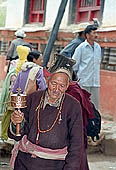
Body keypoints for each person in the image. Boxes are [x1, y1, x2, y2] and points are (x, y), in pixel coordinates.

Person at [8, 57, 90, 170]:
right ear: (47, 81)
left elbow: (76, 144)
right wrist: (15, 123)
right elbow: (16, 135)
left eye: (62, 86)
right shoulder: (33, 99)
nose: (56, 89)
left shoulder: (73, 106)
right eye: (54, 83)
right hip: (26, 162)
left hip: (56, 165)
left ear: (67, 86)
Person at [72, 25, 101, 110]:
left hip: (95, 82)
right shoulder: (81, 48)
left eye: (97, 33)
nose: (96, 35)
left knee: (95, 107)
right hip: (83, 82)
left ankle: (94, 123)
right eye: (94, 33)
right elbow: (74, 65)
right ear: (87, 35)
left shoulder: (98, 47)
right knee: (83, 106)